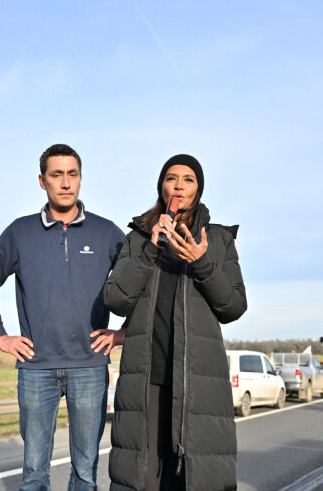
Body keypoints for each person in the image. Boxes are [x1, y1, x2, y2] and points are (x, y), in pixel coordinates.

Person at [0, 144, 126, 491]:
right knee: (34, 474)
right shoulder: (20, 232)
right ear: (42, 181)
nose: (65, 183)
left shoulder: (108, 233)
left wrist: (123, 332)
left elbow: (142, 284)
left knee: (85, 473)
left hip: (90, 366)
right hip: (36, 368)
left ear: (81, 179)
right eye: (56, 175)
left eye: (72, 174)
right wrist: (0, 335)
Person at [104, 154, 247, 491]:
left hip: (196, 380)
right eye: (172, 177)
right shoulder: (139, 237)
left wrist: (203, 264)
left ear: (198, 189)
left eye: (188, 179)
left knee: (190, 478)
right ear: (161, 185)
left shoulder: (219, 239)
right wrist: (151, 249)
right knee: (144, 476)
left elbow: (234, 306)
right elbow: (115, 299)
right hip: (147, 378)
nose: (179, 185)